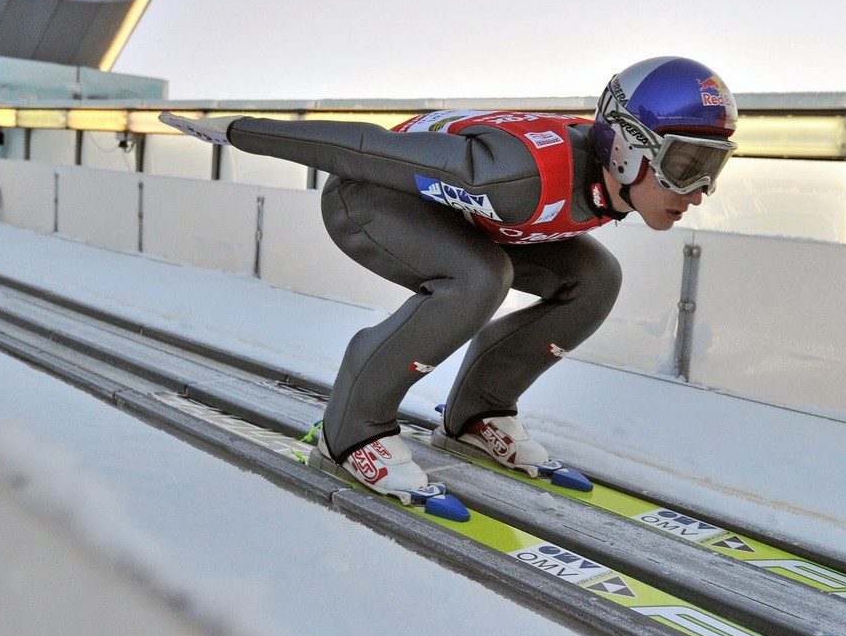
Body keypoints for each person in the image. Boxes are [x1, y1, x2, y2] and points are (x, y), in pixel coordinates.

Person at [161, 56, 738, 500]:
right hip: (371, 193)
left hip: (465, 213)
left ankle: (477, 414)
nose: (700, 190)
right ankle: (351, 431)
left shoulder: (604, 177)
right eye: (686, 164)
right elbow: (367, 149)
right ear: (626, 149)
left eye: (713, 166)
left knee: (595, 278)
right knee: (478, 277)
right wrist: (237, 130)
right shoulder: (518, 175)